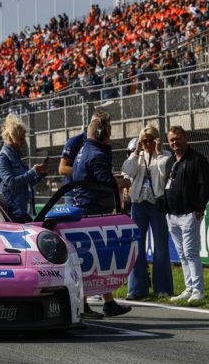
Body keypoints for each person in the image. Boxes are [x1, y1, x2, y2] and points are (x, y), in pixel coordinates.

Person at [72, 110, 132, 318]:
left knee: (99, 259)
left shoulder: (86, 149)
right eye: (109, 130)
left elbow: (98, 177)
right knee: (89, 260)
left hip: (90, 209)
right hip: (93, 212)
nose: (111, 135)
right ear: (100, 132)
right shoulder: (96, 153)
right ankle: (83, 304)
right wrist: (122, 182)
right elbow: (103, 182)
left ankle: (108, 302)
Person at [121, 125, 173, 299]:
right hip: (138, 204)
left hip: (156, 204)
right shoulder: (137, 156)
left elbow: (164, 173)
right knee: (136, 246)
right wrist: (136, 152)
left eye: (151, 140)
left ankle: (162, 288)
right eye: (145, 141)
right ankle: (136, 289)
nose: (148, 144)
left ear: (157, 140)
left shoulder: (165, 155)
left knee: (161, 247)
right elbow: (127, 171)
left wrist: (157, 153)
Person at [164, 126, 209, 303]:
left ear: (185, 138)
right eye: (172, 140)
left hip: (190, 213)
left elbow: (205, 185)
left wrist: (199, 209)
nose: (175, 142)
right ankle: (189, 287)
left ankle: (199, 290)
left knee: (190, 252)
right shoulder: (170, 161)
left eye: (177, 138)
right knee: (182, 254)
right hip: (172, 214)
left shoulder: (197, 159)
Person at [0, 113, 47, 223]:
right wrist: (32, 172)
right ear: (12, 138)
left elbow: (25, 182)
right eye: (21, 139)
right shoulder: (2, 158)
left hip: (23, 210)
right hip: (11, 213)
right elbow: (11, 182)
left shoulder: (16, 156)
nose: (23, 142)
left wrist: (39, 174)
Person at [58, 130, 86, 206]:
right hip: (73, 195)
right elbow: (62, 169)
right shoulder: (75, 141)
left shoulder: (99, 143)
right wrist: (86, 174)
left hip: (91, 194)